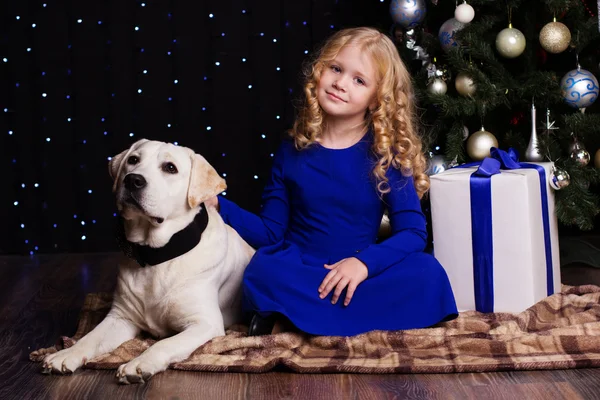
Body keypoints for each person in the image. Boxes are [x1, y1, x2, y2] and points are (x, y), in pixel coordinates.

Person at [205, 27, 458, 337]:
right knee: (262, 271)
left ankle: (294, 322)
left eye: (359, 80)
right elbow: (271, 233)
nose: (341, 83)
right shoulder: (292, 149)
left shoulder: (387, 155)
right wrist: (220, 205)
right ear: (319, 71)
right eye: (336, 69)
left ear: (377, 98)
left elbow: (414, 233)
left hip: (359, 273)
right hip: (304, 270)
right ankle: (338, 320)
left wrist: (362, 264)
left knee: (427, 273)